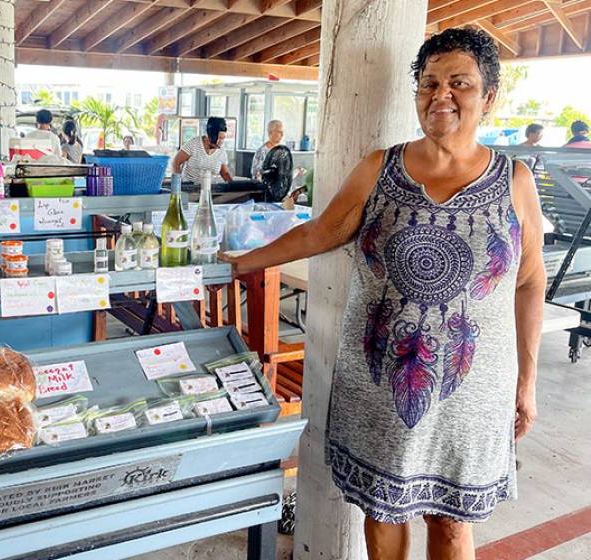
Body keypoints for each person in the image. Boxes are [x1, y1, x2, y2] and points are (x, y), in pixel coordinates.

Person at [222, 27, 545, 560]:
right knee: (383, 510)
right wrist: (238, 263)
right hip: (382, 381)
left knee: (452, 523)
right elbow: (318, 232)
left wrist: (528, 381)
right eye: (429, 83)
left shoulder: (514, 179)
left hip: (475, 390)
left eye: (459, 83)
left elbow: (529, 282)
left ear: (489, 97)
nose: (441, 95)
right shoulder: (380, 167)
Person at [173, 116, 233, 184]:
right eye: (219, 138)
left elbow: (225, 173)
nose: (220, 142)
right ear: (210, 135)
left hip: (208, 189)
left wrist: (233, 187)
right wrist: (177, 183)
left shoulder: (221, 151)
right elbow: (176, 162)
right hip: (189, 187)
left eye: (223, 138)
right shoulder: (194, 144)